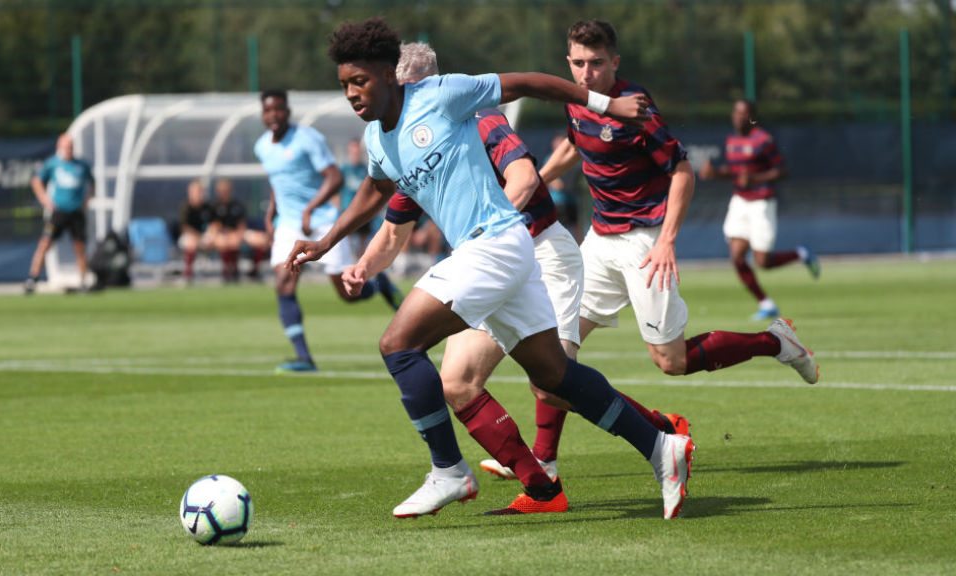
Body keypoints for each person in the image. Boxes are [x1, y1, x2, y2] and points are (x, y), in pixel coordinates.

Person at [288, 17, 695, 520]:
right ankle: (660, 448)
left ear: (389, 74)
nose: (351, 93)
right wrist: (328, 242)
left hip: (496, 245)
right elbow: (376, 190)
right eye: (344, 84)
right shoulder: (377, 139)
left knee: (397, 344)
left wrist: (605, 105)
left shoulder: (441, 94)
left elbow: (528, 83)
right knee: (555, 376)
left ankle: (449, 473)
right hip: (505, 255)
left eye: (360, 81)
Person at [505, 20, 818, 478]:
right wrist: (538, 180)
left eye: (596, 63)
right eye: (578, 64)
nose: (587, 73)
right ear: (567, 62)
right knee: (553, 356)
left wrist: (666, 240)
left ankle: (775, 342)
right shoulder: (577, 101)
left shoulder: (637, 108)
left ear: (615, 62)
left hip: (643, 241)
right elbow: (575, 145)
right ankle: (545, 462)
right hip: (598, 242)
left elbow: (683, 171)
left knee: (671, 361)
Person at [392, 41, 689, 511]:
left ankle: (660, 434)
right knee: (458, 380)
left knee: (553, 382)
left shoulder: (479, 117)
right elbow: (393, 218)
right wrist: (342, 255)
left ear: (419, 85)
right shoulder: (408, 140)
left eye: (398, 89)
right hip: (486, 261)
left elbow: (525, 178)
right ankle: (543, 485)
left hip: (537, 251)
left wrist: (489, 232)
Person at [254, 88, 403, 373]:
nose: (273, 115)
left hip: (321, 221)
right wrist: (271, 216)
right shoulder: (262, 146)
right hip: (288, 224)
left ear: (287, 111)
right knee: (284, 284)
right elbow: (278, 182)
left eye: (279, 109)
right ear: (263, 114)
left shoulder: (307, 139)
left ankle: (379, 285)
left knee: (348, 294)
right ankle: (304, 358)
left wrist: (311, 207)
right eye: (268, 110)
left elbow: (333, 178)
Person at [699, 99, 820, 321]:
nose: (737, 116)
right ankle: (766, 303)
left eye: (743, 113)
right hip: (740, 201)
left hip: (762, 203)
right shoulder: (732, 140)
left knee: (762, 261)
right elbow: (735, 172)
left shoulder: (763, 140)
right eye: (735, 112)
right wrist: (715, 173)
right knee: (736, 256)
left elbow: (782, 171)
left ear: (752, 116)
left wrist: (756, 178)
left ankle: (801, 254)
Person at [24, 133, 94, 294]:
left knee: (80, 247)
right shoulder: (53, 164)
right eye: (66, 146)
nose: (69, 149)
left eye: (71, 146)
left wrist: (86, 201)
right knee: (45, 243)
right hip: (58, 213)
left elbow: (92, 183)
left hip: (76, 213)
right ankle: (32, 279)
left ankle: (83, 281)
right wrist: (45, 199)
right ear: (60, 147)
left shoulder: (82, 165)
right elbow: (36, 181)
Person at [209, 179, 269, 282]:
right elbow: (214, 226)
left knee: (261, 240)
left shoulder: (237, 205)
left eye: (226, 190)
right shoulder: (214, 206)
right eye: (222, 190)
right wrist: (227, 234)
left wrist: (237, 234)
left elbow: (242, 225)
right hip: (220, 234)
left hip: (237, 233)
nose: (224, 193)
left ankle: (254, 270)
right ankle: (228, 271)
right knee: (224, 241)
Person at [177, 180, 216, 283]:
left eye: (200, 191)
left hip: (205, 237)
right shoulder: (186, 208)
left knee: (223, 240)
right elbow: (185, 228)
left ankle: (230, 272)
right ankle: (188, 273)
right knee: (191, 242)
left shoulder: (208, 207)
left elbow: (214, 223)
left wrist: (211, 233)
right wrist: (200, 236)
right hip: (189, 238)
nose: (199, 194)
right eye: (196, 192)